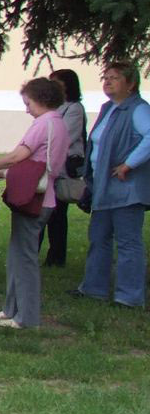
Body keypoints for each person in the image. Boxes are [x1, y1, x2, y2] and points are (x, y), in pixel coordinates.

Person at [0, 78, 68, 328]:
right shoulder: (58, 122)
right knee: (17, 256)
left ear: (41, 100)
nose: (26, 109)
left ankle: (26, 317)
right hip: (44, 197)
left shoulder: (44, 123)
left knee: (24, 260)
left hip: (36, 198)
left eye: (28, 103)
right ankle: (11, 309)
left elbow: (16, 157)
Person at [75, 61, 150, 308]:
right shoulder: (108, 108)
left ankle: (129, 296)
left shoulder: (138, 109)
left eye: (114, 78)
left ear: (131, 84)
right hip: (103, 185)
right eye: (105, 77)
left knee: (128, 241)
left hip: (126, 186)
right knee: (99, 237)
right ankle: (93, 288)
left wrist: (129, 164)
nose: (107, 81)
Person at [42, 68, 87, 267]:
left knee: (58, 214)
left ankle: (57, 256)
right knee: (45, 212)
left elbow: (65, 136)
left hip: (62, 167)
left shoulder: (74, 108)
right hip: (49, 165)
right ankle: (46, 255)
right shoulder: (52, 108)